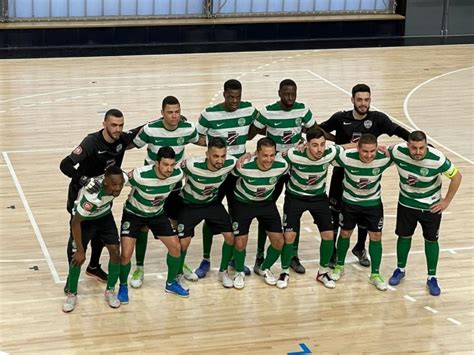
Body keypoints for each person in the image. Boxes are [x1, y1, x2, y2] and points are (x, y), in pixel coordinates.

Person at [319, 84, 410, 268]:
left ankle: (360, 248)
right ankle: (333, 253)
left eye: (366, 100)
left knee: (364, 213)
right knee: (335, 214)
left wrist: (418, 143)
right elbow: (318, 130)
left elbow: (398, 131)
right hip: (341, 174)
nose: (363, 103)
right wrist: (337, 141)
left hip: (368, 176)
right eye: (359, 100)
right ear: (352, 99)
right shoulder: (340, 118)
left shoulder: (378, 119)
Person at [59, 109, 141, 289]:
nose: (118, 129)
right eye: (113, 125)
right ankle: (72, 276)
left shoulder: (121, 139)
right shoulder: (91, 142)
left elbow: (138, 131)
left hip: (105, 193)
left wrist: (163, 120)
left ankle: (94, 266)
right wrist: (84, 180)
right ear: (104, 124)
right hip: (82, 195)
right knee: (77, 234)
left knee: (100, 230)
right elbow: (65, 165)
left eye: (120, 125)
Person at [130, 96, 199, 288]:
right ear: (162, 113)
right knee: (143, 226)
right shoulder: (150, 129)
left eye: (177, 111)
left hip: (174, 186)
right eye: (170, 112)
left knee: (177, 225)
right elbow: (131, 144)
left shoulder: (187, 128)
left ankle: (178, 265)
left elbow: (201, 139)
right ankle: (140, 267)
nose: (174, 115)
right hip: (150, 187)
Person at [251, 79, 317, 275]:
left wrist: (340, 140)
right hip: (273, 168)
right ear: (279, 92)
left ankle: (293, 255)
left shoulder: (303, 110)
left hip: (295, 168)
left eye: (293, 94)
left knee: (293, 212)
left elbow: (314, 131)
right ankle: (260, 255)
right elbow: (250, 133)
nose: (289, 97)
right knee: (265, 210)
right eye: (286, 94)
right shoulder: (267, 112)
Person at [194, 79, 259, 278]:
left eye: (237, 97)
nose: (234, 101)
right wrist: (213, 149)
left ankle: (233, 259)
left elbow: (259, 127)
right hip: (217, 173)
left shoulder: (248, 109)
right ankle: (205, 259)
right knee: (209, 213)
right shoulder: (209, 114)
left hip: (238, 174)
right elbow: (196, 137)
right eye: (230, 97)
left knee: (236, 216)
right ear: (224, 95)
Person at [387, 131, 462, 296]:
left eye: (422, 148)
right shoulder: (398, 151)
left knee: (431, 239)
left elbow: (457, 177)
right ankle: (400, 269)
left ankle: (432, 277)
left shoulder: (437, 159)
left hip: (431, 207)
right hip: (406, 203)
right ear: (408, 145)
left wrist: (446, 201)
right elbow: (384, 152)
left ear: (426, 145)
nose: (418, 152)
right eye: (414, 148)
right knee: (404, 236)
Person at [117, 147, 187, 302]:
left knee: (176, 248)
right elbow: (119, 179)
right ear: (156, 163)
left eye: (172, 165)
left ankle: (170, 283)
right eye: (165, 165)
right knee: (126, 254)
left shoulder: (177, 174)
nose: (169, 169)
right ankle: (122, 286)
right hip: (133, 214)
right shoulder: (140, 175)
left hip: (157, 214)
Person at [281, 127, 347, 289]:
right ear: (307, 144)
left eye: (322, 145)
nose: (319, 149)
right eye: (315, 145)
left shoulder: (329, 153)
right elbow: (276, 156)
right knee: (289, 237)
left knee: (328, 235)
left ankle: (322, 272)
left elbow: (345, 146)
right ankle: (284, 272)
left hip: (318, 198)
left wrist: (362, 144)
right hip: (295, 197)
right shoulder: (294, 155)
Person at [329, 134, 393, 291]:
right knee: (345, 233)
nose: (369, 155)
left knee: (376, 236)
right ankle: (339, 266)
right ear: (358, 148)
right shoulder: (346, 157)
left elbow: (404, 151)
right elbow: (326, 151)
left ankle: (375, 274)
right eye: (365, 151)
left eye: (372, 151)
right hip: (350, 202)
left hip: (373, 203)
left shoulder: (384, 158)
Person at [62, 166, 126, 313]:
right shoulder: (91, 198)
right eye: (114, 185)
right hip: (84, 221)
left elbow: (131, 178)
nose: (118, 188)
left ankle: (110, 291)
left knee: (116, 252)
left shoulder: (120, 179)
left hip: (104, 217)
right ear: (105, 183)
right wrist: (80, 250)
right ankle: (72, 294)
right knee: (77, 258)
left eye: (120, 184)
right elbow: (75, 222)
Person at [177, 137, 237, 289]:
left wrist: (249, 155)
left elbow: (247, 160)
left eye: (223, 156)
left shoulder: (230, 162)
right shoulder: (191, 165)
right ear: (207, 154)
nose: (220, 160)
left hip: (211, 204)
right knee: (183, 242)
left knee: (230, 236)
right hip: (189, 205)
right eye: (215, 156)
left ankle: (223, 272)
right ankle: (177, 274)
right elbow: (172, 171)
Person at [230, 137, 288, 289]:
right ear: (257, 154)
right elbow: (225, 167)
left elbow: (295, 154)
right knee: (240, 242)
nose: (268, 159)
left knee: (279, 241)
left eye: (272, 155)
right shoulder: (243, 166)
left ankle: (264, 267)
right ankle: (239, 271)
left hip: (266, 203)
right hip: (243, 203)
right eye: (265, 155)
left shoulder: (282, 165)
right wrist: (244, 155)